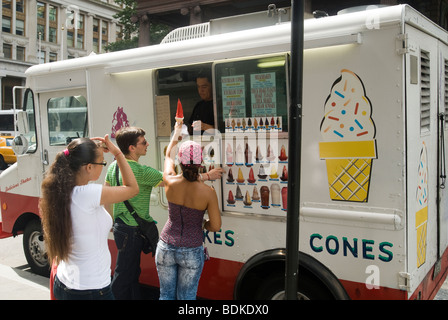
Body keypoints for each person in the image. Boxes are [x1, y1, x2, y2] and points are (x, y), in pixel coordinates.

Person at [40, 135, 139, 300]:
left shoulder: (60, 191)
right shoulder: (88, 194)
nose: (103, 166)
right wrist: (118, 153)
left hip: (65, 283)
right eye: (102, 163)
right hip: (91, 291)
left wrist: (92, 148)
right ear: (89, 167)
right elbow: (132, 188)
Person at [156, 121, 222, 300]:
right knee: (187, 297)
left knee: (166, 295)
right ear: (201, 162)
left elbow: (168, 155)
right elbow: (215, 226)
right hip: (191, 250)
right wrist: (202, 223)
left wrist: (175, 134)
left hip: (165, 246)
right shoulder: (208, 193)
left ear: (181, 161)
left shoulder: (169, 181)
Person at [104, 126, 163, 300]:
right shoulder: (140, 171)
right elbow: (173, 181)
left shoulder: (113, 166)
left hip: (120, 227)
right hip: (132, 230)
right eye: (143, 142)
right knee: (124, 275)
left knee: (130, 272)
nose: (147, 144)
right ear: (131, 147)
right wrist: (205, 176)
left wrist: (110, 222)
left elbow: (106, 197)